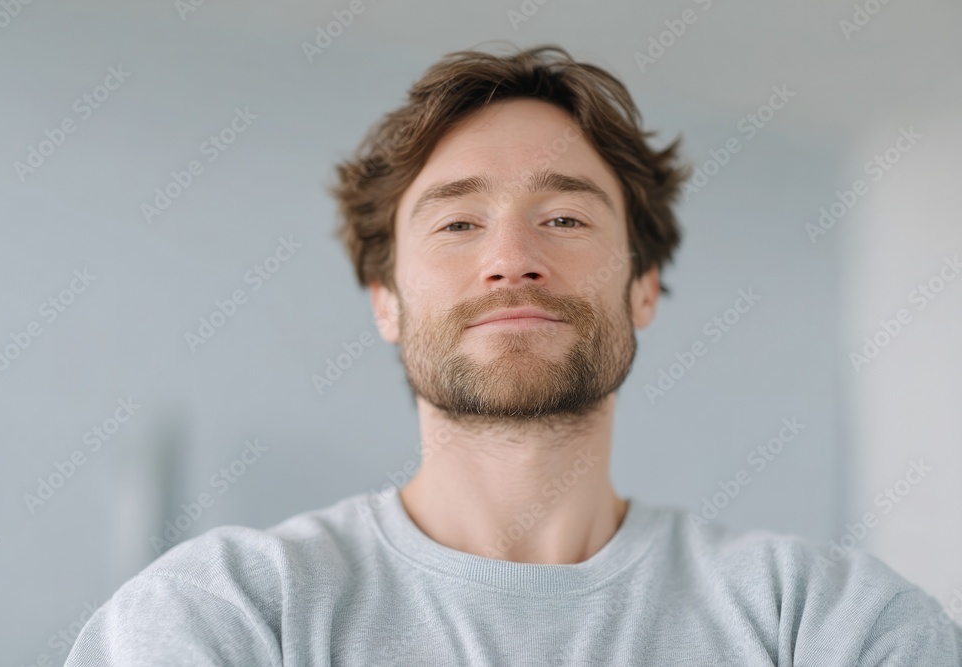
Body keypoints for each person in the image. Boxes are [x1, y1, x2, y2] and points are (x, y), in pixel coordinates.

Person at [66, 43, 962, 666]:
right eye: (458, 222)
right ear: (386, 299)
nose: (511, 258)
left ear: (642, 284)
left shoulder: (829, 623)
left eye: (565, 218)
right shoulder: (221, 614)